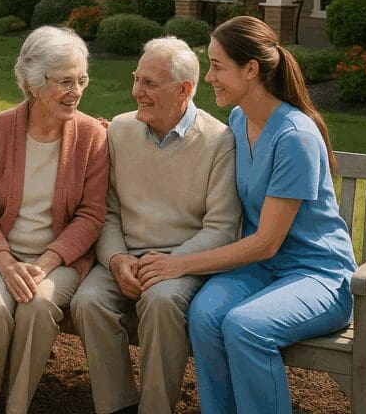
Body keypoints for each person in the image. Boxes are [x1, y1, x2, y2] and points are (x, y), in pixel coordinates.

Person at [137, 16, 357, 414]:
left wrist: (178, 264)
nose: (210, 78)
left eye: (218, 66)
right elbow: (197, 152)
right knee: (204, 316)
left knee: (246, 327)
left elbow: (266, 241)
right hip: (263, 270)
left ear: (250, 69)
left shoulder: (295, 137)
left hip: (317, 276)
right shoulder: (240, 119)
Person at [69, 37, 241, 414]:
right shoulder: (119, 129)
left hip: (185, 262)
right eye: (136, 79)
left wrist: (171, 263)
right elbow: (107, 210)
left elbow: (223, 228)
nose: (137, 92)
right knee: (88, 301)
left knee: (161, 302)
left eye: (150, 83)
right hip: (126, 257)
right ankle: (117, 406)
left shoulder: (218, 141)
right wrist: (115, 259)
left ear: (185, 89)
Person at [0, 26, 109, 414]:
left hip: (57, 261)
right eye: (65, 82)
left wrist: (44, 264)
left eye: (81, 80)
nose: (76, 91)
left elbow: (91, 217)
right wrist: (6, 264)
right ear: (34, 84)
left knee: (39, 305)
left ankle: (17, 407)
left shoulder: (92, 136)